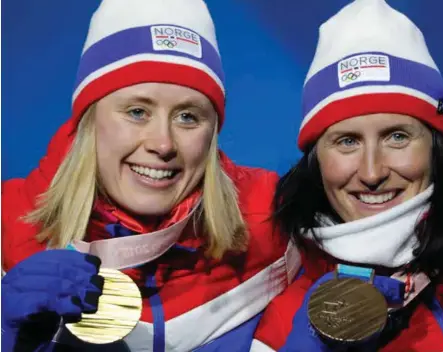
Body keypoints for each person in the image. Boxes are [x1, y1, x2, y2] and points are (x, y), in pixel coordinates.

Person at [252, 0, 443, 351]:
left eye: (397, 137)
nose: (372, 172)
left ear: (436, 145)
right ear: (315, 159)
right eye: (347, 141)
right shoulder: (285, 328)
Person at [1, 1, 302, 351]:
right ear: (90, 120)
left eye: (188, 117)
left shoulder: (274, 222)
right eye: (137, 112)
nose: (163, 144)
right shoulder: (8, 225)